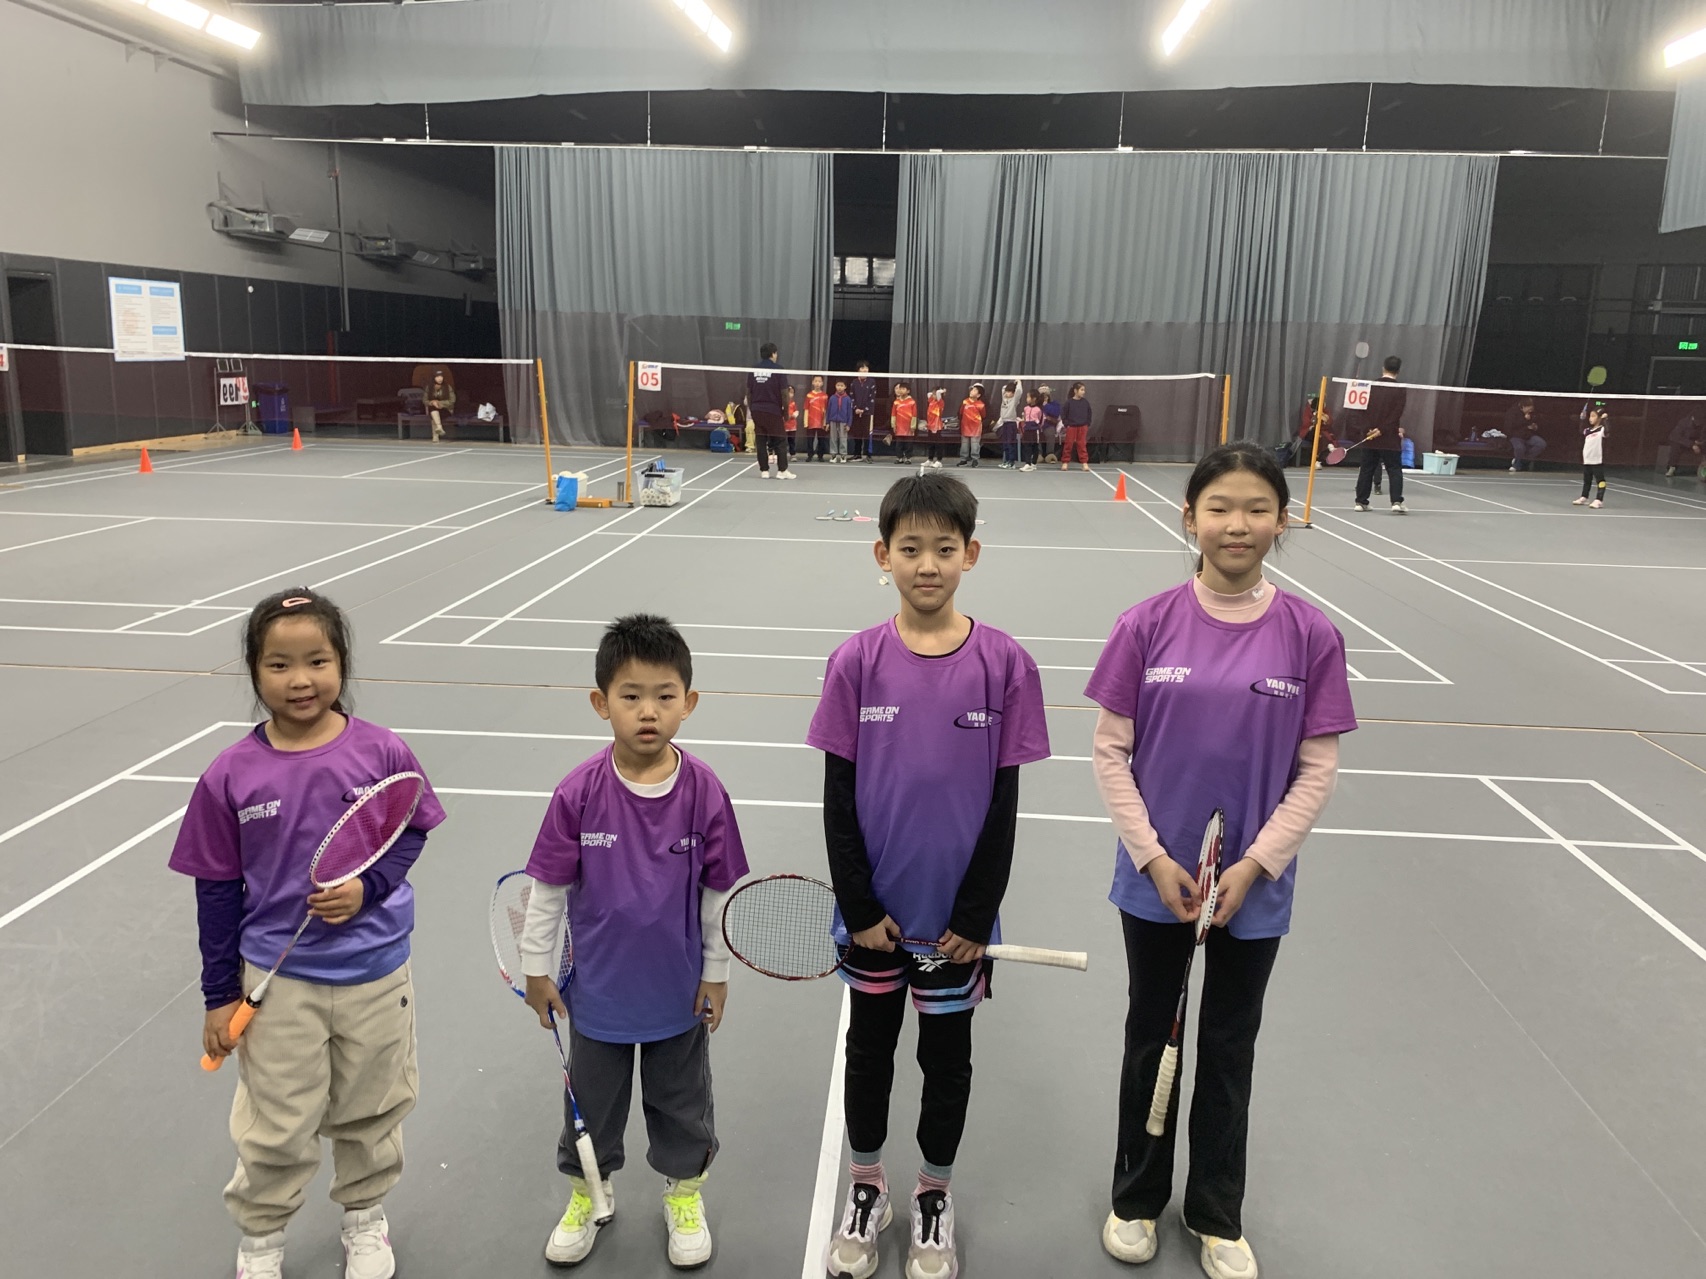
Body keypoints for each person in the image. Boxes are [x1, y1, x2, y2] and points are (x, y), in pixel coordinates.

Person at [1088, 443, 1357, 1279]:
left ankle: (1215, 1212)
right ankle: (1136, 1198)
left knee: (1230, 1047)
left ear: (1282, 520)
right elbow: (1110, 752)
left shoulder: (1311, 634)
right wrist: (1152, 856)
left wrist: (1258, 864)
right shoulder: (1145, 624)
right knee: (1150, 1038)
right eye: (1219, 507)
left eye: (1256, 509)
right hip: (1158, 881)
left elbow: (1317, 768)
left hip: (1254, 890)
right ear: (1190, 517)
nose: (1237, 524)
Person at [811, 473, 1051, 1279]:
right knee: (869, 1053)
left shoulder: (1005, 664)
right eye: (909, 548)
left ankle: (934, 1194)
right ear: (882, 555)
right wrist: (859, 904)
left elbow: (1004, 804)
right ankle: (868, 1185)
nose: (926, 564)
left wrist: (976, 916)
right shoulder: (855, 662)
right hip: (874, 921)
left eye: (944, 549)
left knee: (947, 1064)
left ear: (970, 554)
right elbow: (838, 799)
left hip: (955, 926)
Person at [170, 589, 447, 1279]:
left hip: (375, 971)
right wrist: (218, 994)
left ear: (341, 663)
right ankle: (261, 1238)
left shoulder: (382, 750)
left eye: (318, 661)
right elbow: (215, 891)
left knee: (373, 1105)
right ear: (254, 671)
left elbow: (410, 830)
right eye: (280, 664)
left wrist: (369, 888)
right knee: (275, 1118)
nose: (301, 679)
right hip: (277, 980)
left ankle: (365, 1219)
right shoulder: (229, 775)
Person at [521, 615, 750, 1269]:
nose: (648, 711)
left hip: (677, 992)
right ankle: (587, 1193)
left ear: (689, 701)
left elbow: (718, 893)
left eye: (664, 695)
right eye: (631, 695)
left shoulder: (705, 792)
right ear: (601, 703)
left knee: (682, 1104)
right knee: (591, 1107)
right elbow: (547, 890)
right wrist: (536, 970)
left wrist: (716, 973)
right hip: (597, 995)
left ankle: (684, 1195)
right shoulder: (578, 793)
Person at [1353, 355, 1407, 513]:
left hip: (1370, 436)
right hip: (1389, 437)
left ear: (1383, 368)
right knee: (1394, 469)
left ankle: (1360, 502)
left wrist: (1369, 429)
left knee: (1366, 469)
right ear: (1398, 371)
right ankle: (1396, 502)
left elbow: (1361, 411)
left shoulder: (1370, 386)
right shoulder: (1400, 389)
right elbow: (1396, 414)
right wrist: (1382, 429)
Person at [745, 343, 795, 480]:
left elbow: (749, 392)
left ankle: (764, 471)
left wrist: (752, 409)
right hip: (773, 411)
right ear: (773, 354)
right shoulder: (778, 369)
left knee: (761, 440)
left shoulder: (753, 370)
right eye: (776, 353)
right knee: (780, 440)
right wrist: (786, 413)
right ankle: (782, 470)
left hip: (757, 410)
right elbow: (784, 393)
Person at [1575, 404, 1609, 508]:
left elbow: (1607, 432)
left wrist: (1605, 420)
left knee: (1600, 480)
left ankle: (1599, 500)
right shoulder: (1588, 430)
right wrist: (1582, 418)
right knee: (1587, 480)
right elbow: (1581, 430)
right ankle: (1584, 497)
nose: (1590, 418)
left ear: (1599, 418)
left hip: (1597, 460)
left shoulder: (1602, 429)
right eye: (1590, 416)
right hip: (1587, 459)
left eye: (1593, 416)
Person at [1505, 398, 1547, 472]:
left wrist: (1535, 426)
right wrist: (1525, 421)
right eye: (1529, 409)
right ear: (1523, 407)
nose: (1530, 411)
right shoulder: (1512, 412)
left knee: (1541, 444)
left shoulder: (1532, 413)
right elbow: (1510, 427)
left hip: (1528, 435)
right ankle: (1516, 465)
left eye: (1532, 409)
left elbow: (1537, 421)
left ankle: (1523, 460)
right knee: (1520, 448)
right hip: (1516, 436)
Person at [1061, 382, 1092, 471]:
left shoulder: (1085, 402)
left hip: (1082, 427)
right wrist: (1067, 424)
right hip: (1071, 427)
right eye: (1081, 390)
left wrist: (1087, 424)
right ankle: (1065, 462)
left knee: (1082, 445)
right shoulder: (1069, 402)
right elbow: (1064, 414)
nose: (1083, 392)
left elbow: (1089, 413)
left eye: (1084, 390)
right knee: (1068, 444)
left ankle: (1084, 463)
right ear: (1075, 391)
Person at [852, 362, 879, 463]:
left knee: (867, 434)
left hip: (868, 413)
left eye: (866, 369)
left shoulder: (872, 382)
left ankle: (868, 455)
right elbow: (852, 396)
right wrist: (856, 408)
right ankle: (857, 454)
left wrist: (864, 409)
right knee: (857, 434)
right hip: (856, 412)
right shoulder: (854, 382)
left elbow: (872, 398)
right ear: (858, 370)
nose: (864, 371)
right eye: (862, 369)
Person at [955, 384, 986, 468]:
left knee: (975, 444)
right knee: (964, 444)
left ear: (978, 395)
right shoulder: (965, 402)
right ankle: (963, 460)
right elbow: (960, 412)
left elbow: (983, 415)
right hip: (965, 426)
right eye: (972, 390)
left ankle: (975, 459)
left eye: (975, 390)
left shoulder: (981, 405)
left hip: (976, 427)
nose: (972, 391)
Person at [997, 379, 1024, 469]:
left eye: (1009, 392)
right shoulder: (1004, 398)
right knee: (1005, 443)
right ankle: (1006, 461)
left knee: (1010, 443)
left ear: (1013, 393)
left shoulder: (1014, 400)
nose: (1007, 394)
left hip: (1011, 424)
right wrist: (1011, 383)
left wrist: (1018, 382)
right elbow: (1003, 389)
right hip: (1004, 423)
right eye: (1006, 392)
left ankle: (1011, 462)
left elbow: (1019, 391)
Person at [1665, 412, 1702, 478]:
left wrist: (1699, 441)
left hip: (1695, 442)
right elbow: (1677, 436)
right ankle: (1672, 467)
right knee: (1676, 446)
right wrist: (1692, 444)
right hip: (1681, 441)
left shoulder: (1702, 424)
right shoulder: (1683, 422)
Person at [828, 378, 854, 464]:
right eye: (838, 385)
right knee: (833, 438)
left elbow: (850, 413)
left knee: (843, 438)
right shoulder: (832, 398)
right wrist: (827, 422)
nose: (839, 387)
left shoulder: (848, 399)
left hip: (843, 421)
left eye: (841, 385)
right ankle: (833, 454)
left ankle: (843, 455)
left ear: (845, 387)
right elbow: (828, 411)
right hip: (833, 421)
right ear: (835, 386)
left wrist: (849, 424)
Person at [424, 369, 455, 442]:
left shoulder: (447, 387)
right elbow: (425, 400)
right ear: (434, 378)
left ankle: (436, 435)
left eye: (441, 376)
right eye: (437, 377)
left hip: (446, 409)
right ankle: (439, 427)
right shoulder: (429, 387)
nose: (440, 378)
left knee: (433, 415)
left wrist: (439, 403)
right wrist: (432, 402)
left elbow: (452, 400)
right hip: (433, 409)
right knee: (433, 409)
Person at [891, 382, 918, 465]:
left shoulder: (912, 402)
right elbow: (893, 414)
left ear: (908, 391)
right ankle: (899, 457)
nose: (900, 390)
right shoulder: (896, 402)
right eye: (900, 389)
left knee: (908, 444)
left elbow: (914, 415)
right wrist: (893, 425)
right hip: (899, 427)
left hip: (908, 427)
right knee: (899, 444)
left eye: (903, 389)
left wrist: (913, 426)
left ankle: (908, 458)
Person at [806, 376, 830, 463]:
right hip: (811, 420)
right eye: (816, 381)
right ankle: (810, 455)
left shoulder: (825, 396)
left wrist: (826, 422)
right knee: (810, 439)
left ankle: (820, 455)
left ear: (822, 383)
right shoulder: (809, 395)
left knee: (821, 439)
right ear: (812, 382)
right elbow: (806, 408)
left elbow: (827, 409)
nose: (817, 383)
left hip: (821, 421)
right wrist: (805, 422)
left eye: (819, 381)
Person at [923, 386, 948, 469]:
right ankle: (930, 460)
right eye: (933, 393)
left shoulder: (940, 403)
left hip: (937, 426)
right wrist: (934, 392)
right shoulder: (931, 401)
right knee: (930, 444)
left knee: (938, 444)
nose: (933, 395)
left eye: (935, 394)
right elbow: (928, 394)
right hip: (930, 425)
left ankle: (939, 461)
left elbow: (937, 393)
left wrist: (942, 391)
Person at [1020, 390, 1043, 471]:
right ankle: (1028, 463)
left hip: (1035, 430)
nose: (1027, 399)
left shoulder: (1038, 409)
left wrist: (1036, 425)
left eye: (1028, 397)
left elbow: (1041, 420)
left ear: (1034, 398)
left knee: (1035, 446)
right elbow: (1025, 419)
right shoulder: (1026, 408)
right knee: (1027, 446)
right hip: (1027, 429)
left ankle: (1033, 463)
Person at [1040, 386, 1062, 464]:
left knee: (1050, 433)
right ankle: (1038, 454)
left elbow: (1056, 413)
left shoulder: (1054, 404)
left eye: (1046, 395)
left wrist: (1046, 405)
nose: (1045, 397)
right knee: (1035, 433)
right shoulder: (1036, 404)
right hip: (1038, 425)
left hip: (1048, 425)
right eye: (1042, 396)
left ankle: (1050, 455)